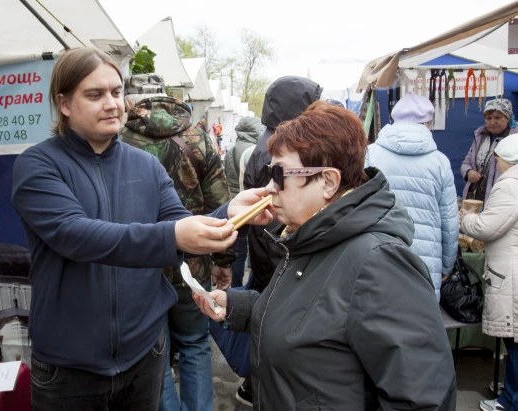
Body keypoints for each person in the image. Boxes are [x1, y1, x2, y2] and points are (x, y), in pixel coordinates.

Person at [11, 48, 272, 411]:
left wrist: (231, 213)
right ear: (64, 103)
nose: (111, 103)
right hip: (69, 368)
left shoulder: (146, 165)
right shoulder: (38, 165)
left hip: (144, 356)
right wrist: (174, 236)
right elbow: (76, 235)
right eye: (94, 94)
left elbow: (180, 227)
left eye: (116, 92)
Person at [194, 101, 457, 410]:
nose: (269, 188)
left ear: (329, 182)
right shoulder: (312, 236)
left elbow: (424, 397)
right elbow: (318, 315)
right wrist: (240, 306)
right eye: (270, 173)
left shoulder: (379, 264)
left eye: (279, 175)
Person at [119, 74, 233, 411]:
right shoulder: (197, 135)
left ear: (129, 100)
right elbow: (219, 204)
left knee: (156, 352)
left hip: (141, 262)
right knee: (196, 343)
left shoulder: (119, 140)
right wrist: (224, 261)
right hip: (193, 263)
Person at [237, 75, 322, 405]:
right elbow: (276, 206)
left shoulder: (267, 143)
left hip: (268, 253)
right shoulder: (277, 150)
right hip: (278, 255)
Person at [366, 93, 459, 301]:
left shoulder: (371, 154)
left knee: (378, 320)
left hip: (378, 253)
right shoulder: (439, 162)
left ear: (394, 118)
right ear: (428, 122)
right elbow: (450, 221)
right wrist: (446, 264)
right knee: (422, 323)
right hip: (426, 261)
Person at [459, 135, 518, 411]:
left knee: (515, 338)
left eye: (497, 160)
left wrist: (465, 217)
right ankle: (511, 388)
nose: (496, 164)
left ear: (506, 159)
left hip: (512, 272)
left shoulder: (510, 185)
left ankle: (510, 401)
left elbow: (487, 228)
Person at [224, 116, 262, 287]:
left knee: (237, 250)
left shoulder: (230, 150)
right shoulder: (253, 151)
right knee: (252, 248)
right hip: (248, 205)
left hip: (231, 201)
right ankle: (242, 288)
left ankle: (235, 286)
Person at [461, 98, 518, 203]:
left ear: (508, 117)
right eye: (488, 118)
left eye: (498, 117)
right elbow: (466, 163)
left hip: (503, 200)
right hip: (476, 198)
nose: (492, 122)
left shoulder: (515, 139)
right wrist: (469, 172)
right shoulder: (480, 137)